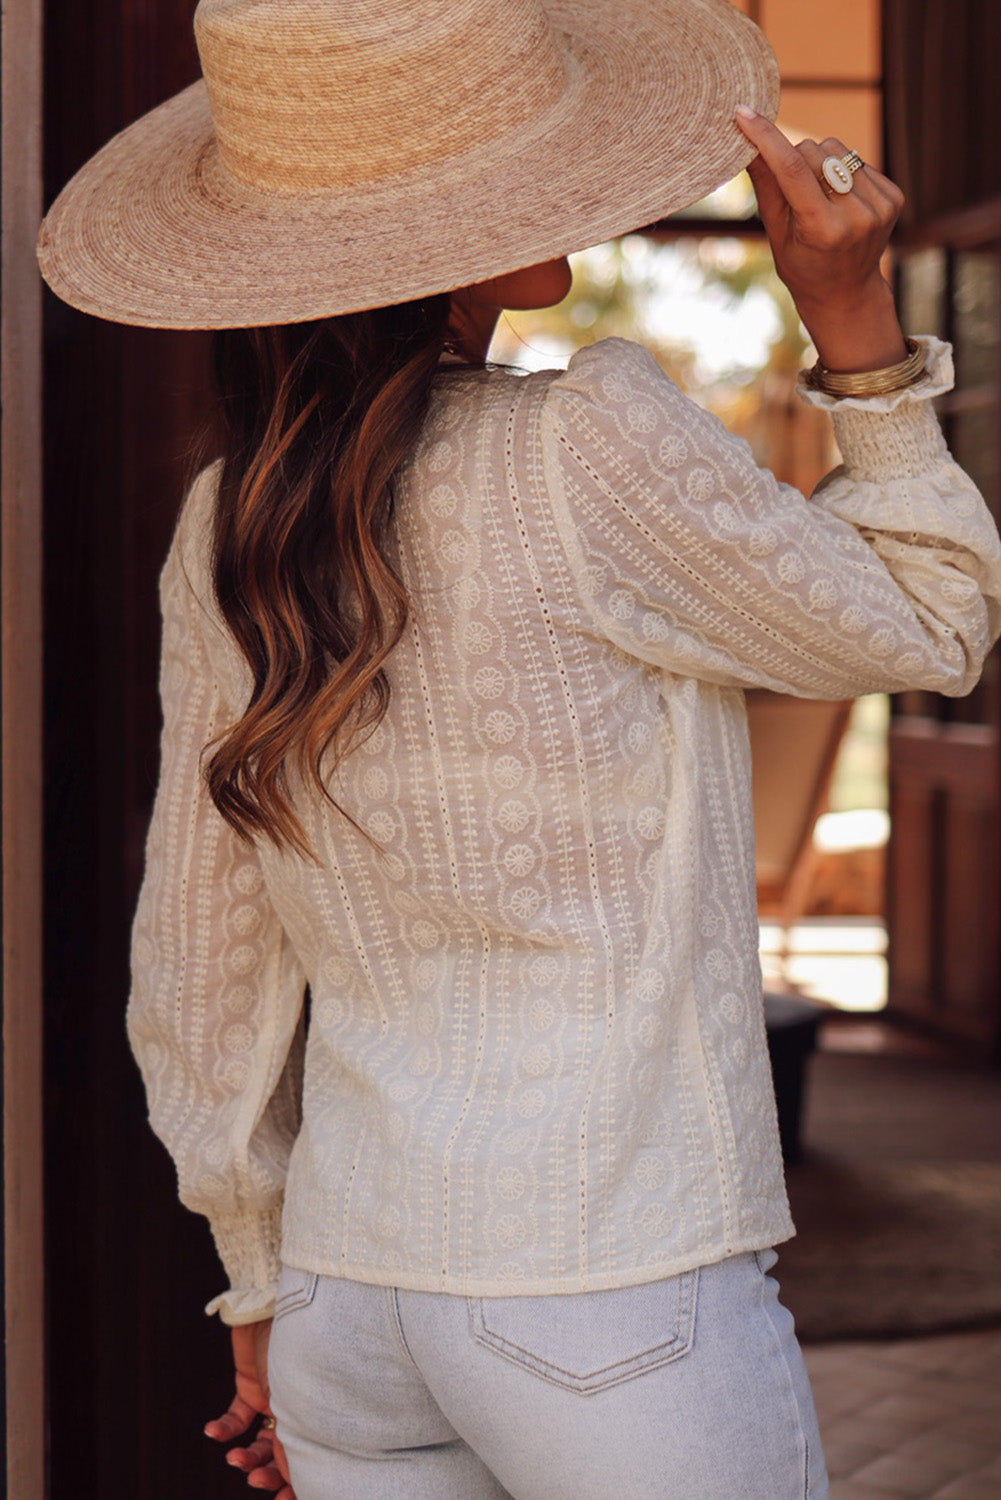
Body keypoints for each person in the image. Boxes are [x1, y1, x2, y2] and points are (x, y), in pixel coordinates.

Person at [38, 2, 1001, 1497]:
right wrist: (855, 326)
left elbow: (200, 963)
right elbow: (928, 628)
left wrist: (256, 1286)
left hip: (346, 1295)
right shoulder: (583, 446)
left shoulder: (228, 520)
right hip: (604, 1282)